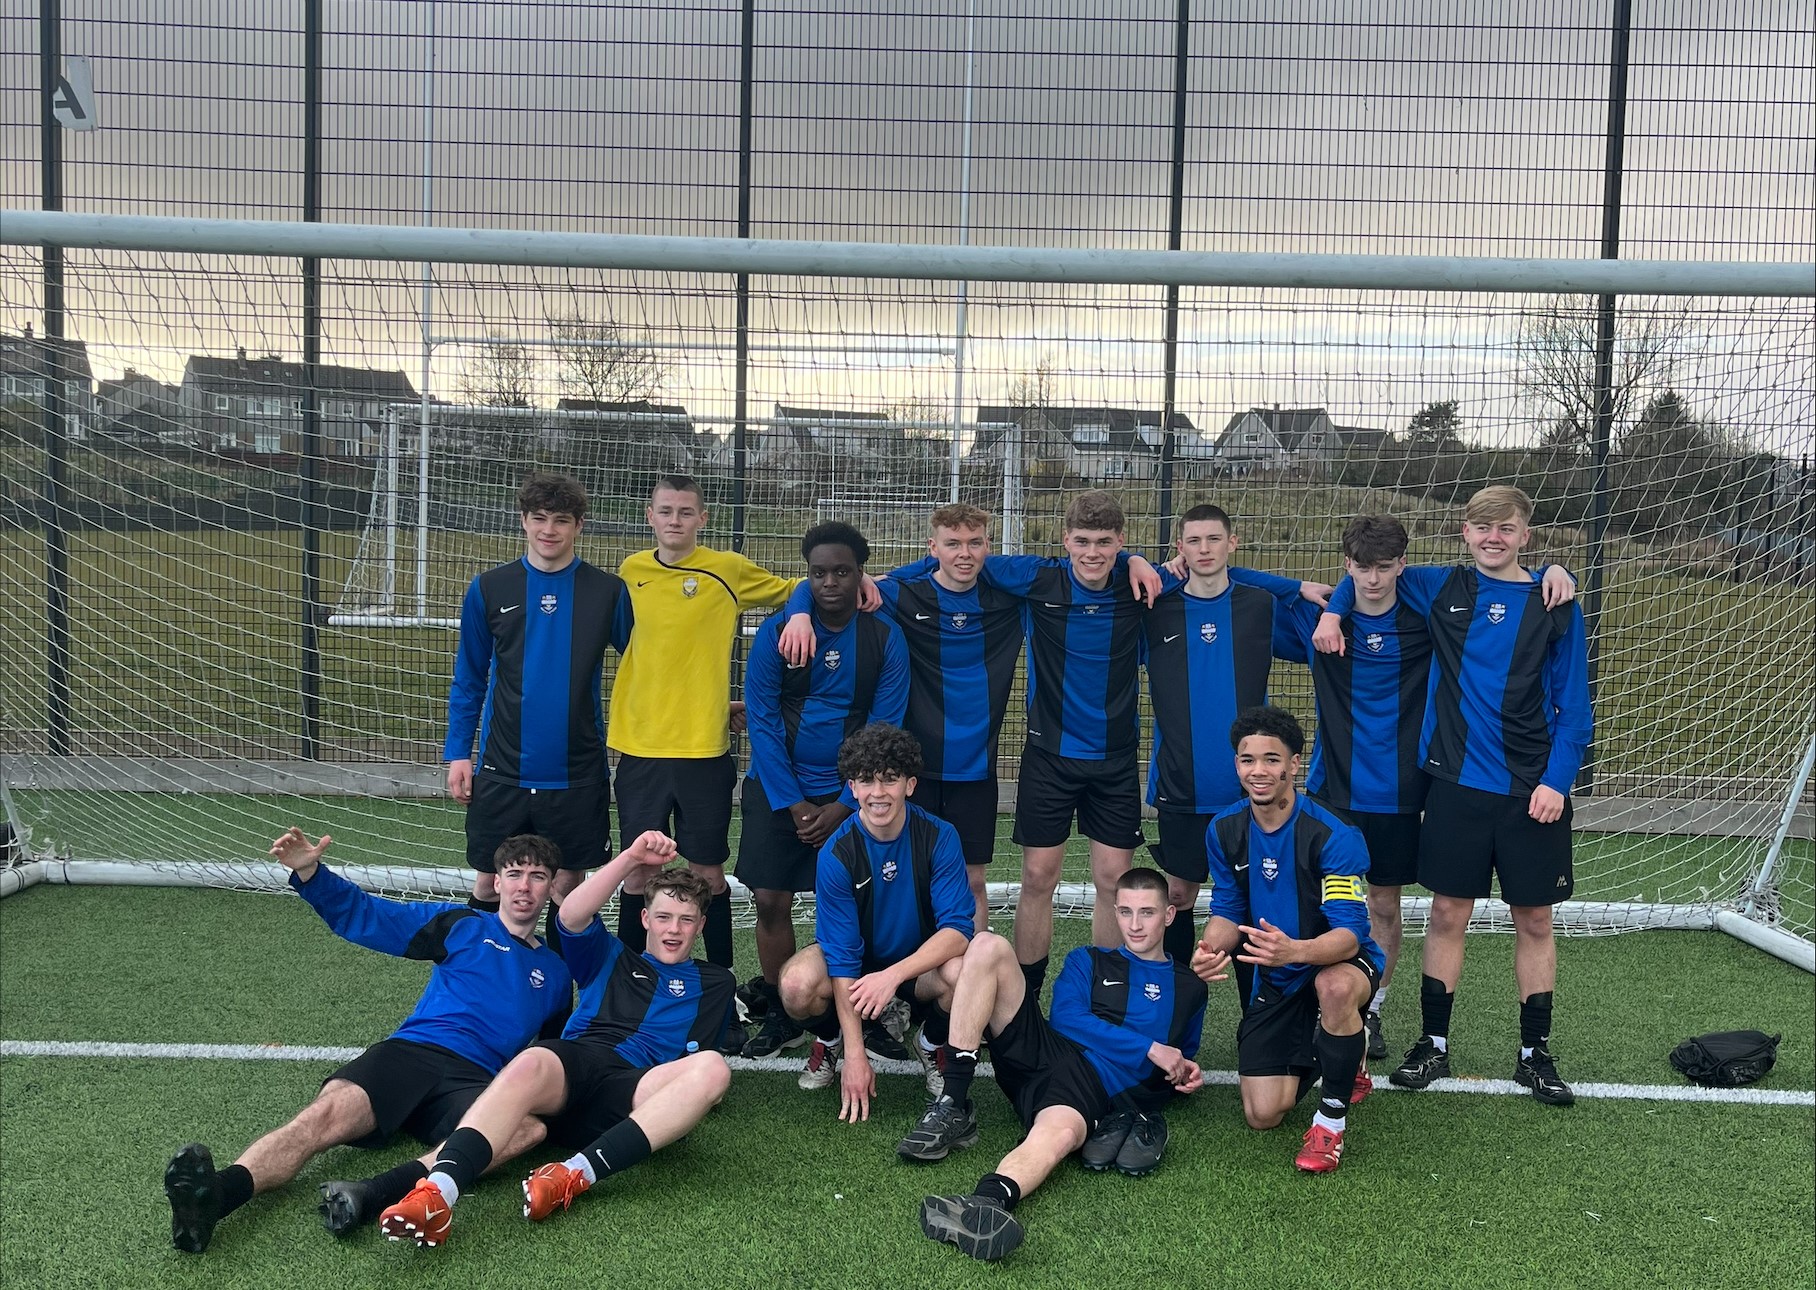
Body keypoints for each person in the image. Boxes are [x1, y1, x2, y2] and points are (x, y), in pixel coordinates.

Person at [162, 829, 571, 1253]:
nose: (525, 885)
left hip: (473, 1082)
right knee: (321, 1119)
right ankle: (218, 1195)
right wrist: (311, 872)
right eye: (515, 873)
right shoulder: (461, 925)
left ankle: (372, 1193)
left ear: (552, 886)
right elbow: (375, 917)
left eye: (538, 876)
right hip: (412, 1054)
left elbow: (553, 1058)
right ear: (497, 882)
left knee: (527, 1128)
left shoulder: (557, 975)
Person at [1313, 485, 1592, 1105]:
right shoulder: (1440, 586)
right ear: (1464, 533)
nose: (1494, 539)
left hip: (1531, 791)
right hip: (1454, 784)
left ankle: (1534, 1052)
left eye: (1507, 529)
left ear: (1526, 534)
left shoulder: (1557, 604)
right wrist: (1333, 611)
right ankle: (1432, 1045)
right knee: (1445, 914)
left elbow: (1575, 707)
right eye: (1482, 529)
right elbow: (1363, 574)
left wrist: (1557, 781)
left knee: (1536, 920)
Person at [376, 835, 736, 1247]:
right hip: (576, 1066)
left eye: (686, 919)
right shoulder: (611, 955)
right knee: (532, 1060)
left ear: (702, 925)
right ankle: (437, 1195)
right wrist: (631, 858)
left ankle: (572, 1175)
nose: (674, 929)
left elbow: (697, 1059)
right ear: (645, 920)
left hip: (631, 1093)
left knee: (714, 1066)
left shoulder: (717, 983)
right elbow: (573, 916)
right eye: (664, 916)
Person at [886, 491, 1162, 988]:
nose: (1093, 553)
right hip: (1049, 757)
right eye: (1082, 541)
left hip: (1115, 760)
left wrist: (1140, 560)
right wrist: (874, 579)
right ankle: (1027, 996)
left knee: (1112, 882)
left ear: (1121, 542)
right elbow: (955, 563)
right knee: (1037, 880)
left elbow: (1208, 572)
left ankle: (1103, 992)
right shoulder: (1038, 578)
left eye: (1105, 542)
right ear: (1065, 541)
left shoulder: (1137, 584)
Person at [907, 868, 1206, 1263]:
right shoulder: (1089, 959)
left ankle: (983, 1204)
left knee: (1059, 1136)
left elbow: (1180, 1054)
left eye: (1147, 913)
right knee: (987, 945)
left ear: (1169, 915)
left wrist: (1186, 1072)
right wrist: (1149, 1047)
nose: (1135, 925)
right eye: (1126, 912)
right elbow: (1066, 1018)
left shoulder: (1190, 988)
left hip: (1091, 1087)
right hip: (1046, 1049)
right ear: (1114, 912)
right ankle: (955, 1101)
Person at [608, 474, 806, 1051]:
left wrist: (797, 614)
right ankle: (631, 994)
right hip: (641, 749)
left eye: (685, 511)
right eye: (665, 510)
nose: (674, 520)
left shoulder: (728, 568)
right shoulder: (629, 572)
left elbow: (798, 588)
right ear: (649, 515)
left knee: (709, 877)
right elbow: (638, 647)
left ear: (702, 518)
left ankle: (722, 1005)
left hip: (705, 752)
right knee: (640, 873)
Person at [780, 502, 1022, 938]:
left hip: (975, 768)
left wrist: (1133, 558)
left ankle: (962, 988)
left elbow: (1072, 572)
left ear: (988, 546)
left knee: (972, 881)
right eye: (952, 544)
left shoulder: (1009, 598)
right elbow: (828, 585)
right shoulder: (902, 594)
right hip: (912, 772)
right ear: (934, 548)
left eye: (975, 543)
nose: (964, 553)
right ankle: (905, 981)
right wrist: (799, 610)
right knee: (907, 878)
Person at [737, 522, 911, 1060]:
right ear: (806, 575)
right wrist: (792, 803)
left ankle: (869, 1010)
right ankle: (785, 1013)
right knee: (769, 899)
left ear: (861, 574)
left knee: (861, 905)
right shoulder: (777, 633)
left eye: (842, 571)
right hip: (777, 791)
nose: (830, 582)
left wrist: (843, 802)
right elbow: (762, 720)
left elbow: (884, 726)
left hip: (851, 796)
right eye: (818, 573)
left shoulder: (885, 638)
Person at [1190, 705, 1382, 1174]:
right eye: (1247, 759)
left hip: (1334, 962)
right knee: (1262, 1114)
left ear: (1294, 764)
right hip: (1275, 975)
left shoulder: (1335, 836)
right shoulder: (1223, 829)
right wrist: (1210, 947)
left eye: (1272, 759)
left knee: (1334, 989)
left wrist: (1294, 950)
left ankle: (1330, 1123)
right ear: (1236, 765)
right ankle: (1343, 1052)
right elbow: (1228, 908)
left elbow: (1350, 936)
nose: (1259, 771)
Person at [1144, 502, 1329, 968]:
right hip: (1182, 781)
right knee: (1180, 893)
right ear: (1179, 549)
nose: (1204, 549)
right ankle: (1177, 1003)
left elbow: (1327, 633)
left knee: (1255, 897)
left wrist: (1295, 589)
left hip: (1251, 786)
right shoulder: (1155, 610)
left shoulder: (1261, 606)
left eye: (1214, 539)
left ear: (1233, 543)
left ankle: (1261, 1019)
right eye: (1193, 541)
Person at [444, 472, 633, 905]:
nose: (550, 530)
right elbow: (469, 678)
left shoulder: (607, 592)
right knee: (492, 882)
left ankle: (559, 975)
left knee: (567, 887)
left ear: (579, 526)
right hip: (502, 767)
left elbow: (646, 668)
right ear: (523, 520)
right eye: (540, 518)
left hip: (577, 769)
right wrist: (458, 752)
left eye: (562, 520)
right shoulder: (489, 587)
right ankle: (487, 973)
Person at [774, 723, 974, 1112]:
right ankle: (830, 1041)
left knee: (965, 971)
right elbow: (844, 955)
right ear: (852, 788)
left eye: (890, 780)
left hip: (919, 965)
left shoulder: (940, 836)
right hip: (860, 965)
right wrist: (856, 1055)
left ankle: (932, 1044)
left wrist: (893, 975)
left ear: (910, 785)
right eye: (866, 781)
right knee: (796, 984)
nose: (878, 793)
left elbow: (958, 930)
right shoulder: (836, 852)